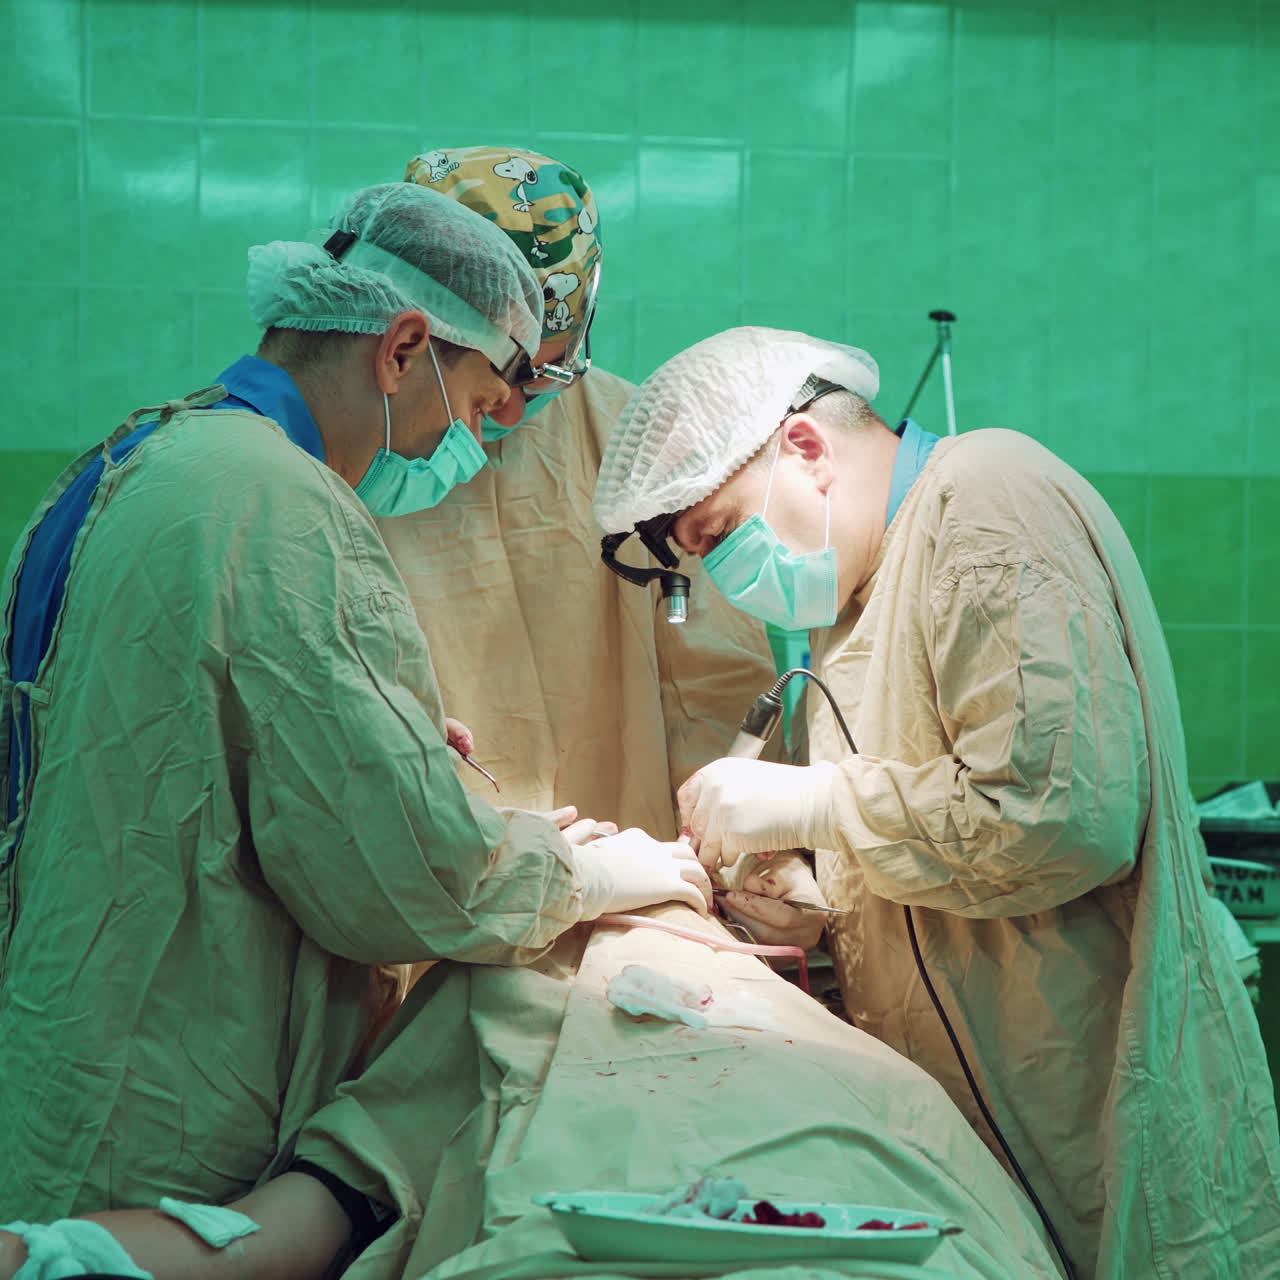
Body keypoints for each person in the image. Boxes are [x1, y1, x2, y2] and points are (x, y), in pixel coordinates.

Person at [0, 182, 712, 1228]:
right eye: (474, 408)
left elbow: (172, 741)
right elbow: (400, 874)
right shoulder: (278, 502)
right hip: (158, 1100)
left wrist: (385, 740)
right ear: (402, 347)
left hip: (57, 1043)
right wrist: (585, 869)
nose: (459, 445)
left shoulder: (138, 457)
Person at [591, 325, 1280, 1278]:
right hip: (991, 1128)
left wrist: (813, 805)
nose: (727, 574)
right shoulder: (859, 598)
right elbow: (934, 837)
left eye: (722, 534)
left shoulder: (985, 505)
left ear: (804, 448)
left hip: (1098, 1109)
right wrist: (818, 901)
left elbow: (1061, 820)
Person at [0, 902, 1067, 1280]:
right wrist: (56, 1252)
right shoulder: (482, 983)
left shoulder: (797, 1013)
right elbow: (288, 1223)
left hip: (852, 1196)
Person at [388, 146, 780, 835]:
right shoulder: (340, 447)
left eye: (541, 375)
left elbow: (715, 685)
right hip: (417, 886)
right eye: (491, 376)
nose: (506, 411)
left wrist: (741, 848)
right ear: (409, 337)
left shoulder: (635, 442)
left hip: (630, 875)